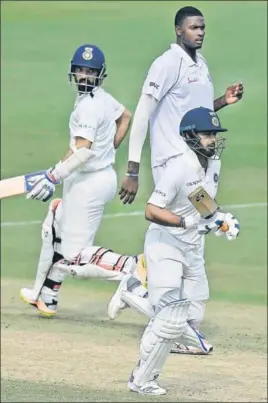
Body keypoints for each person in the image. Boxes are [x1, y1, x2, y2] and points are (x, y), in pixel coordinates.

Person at [112, 5, 244, 354]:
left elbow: (199, 118)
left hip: (194, 159)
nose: (199, 32)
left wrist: (223, 103)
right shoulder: (167, 63)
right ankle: (142, 285)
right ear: (177, 30)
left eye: (203, 27)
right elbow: (143, 113)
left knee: (196, 232)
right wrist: (133, 168)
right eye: (193, 27)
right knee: (180, 229)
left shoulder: (201, 67)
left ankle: (178, 322)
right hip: (173, 161)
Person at [123, 106, 240, 395]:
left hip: (192, 248)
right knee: (172, 316)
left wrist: (220, 220)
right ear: (189, 137)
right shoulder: (179, 166)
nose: (213, 140)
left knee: (191, 317)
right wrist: (184, 221)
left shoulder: (213, 165)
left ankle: (136, 291)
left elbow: (200, 198)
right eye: (207, 134)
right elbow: (151, 210)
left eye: (215, 134)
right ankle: (142, 380)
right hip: (166, 242)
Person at [20, 43, 132, 315]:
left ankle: (135, 269)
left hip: (89, 184)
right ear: (73, 71)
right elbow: (126, 117)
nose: (84, 76)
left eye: (90, 72)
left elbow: (82, 152)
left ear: (99, 74)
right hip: (88, 177)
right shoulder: (102, 99)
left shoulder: (89, 108)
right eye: (80, 70)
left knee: (74, 258)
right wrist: (110, 149)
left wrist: (52, 176)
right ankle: (44, 295)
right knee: (54, 223)